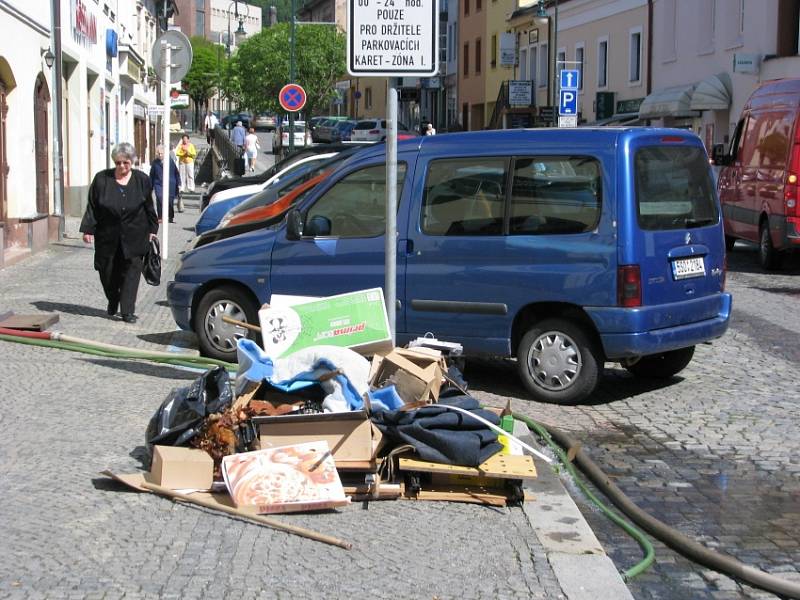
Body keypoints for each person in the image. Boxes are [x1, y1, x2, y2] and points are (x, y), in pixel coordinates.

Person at [79, 143, 158, 324]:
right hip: (107, 236)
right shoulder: (101, 179)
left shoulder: (142, 180)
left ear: (132, 162)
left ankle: (127, 310)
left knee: (131, 272)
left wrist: (153, 230)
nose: (122, 167)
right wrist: (88, 229)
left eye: (126, 163)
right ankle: (113, 298)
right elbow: (93, 206)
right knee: (106, 272)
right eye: (118, 163)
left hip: (135, 234)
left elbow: (148, 206)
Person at [149, 144, 180, 223]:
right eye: (158, 153)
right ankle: (160, 217)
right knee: (159, 199)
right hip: (158, 183)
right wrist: (150, 186)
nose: (160, 155)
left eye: (161, 153)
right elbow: (152, 174)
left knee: (170, 201)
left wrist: (179, 182)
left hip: (170, 183)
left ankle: (170, 216)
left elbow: (176, 172)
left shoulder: (170, 161)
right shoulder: (155, 162)